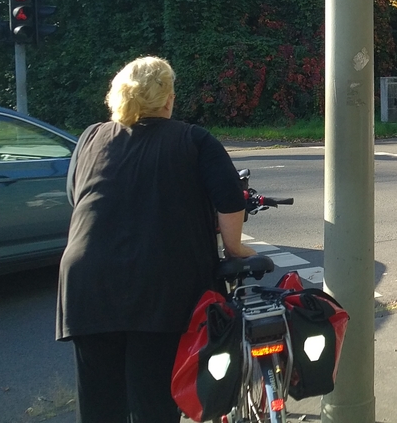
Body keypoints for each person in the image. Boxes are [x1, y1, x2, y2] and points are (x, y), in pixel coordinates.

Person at [56, 57, 256, 423]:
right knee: (153, 404)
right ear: (168, 99)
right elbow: (230, 198)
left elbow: (76, 195)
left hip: (88, 284)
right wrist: (235, 248)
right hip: (160, 285)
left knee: (100, 407)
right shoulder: (193, 139)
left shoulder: (90, 138)